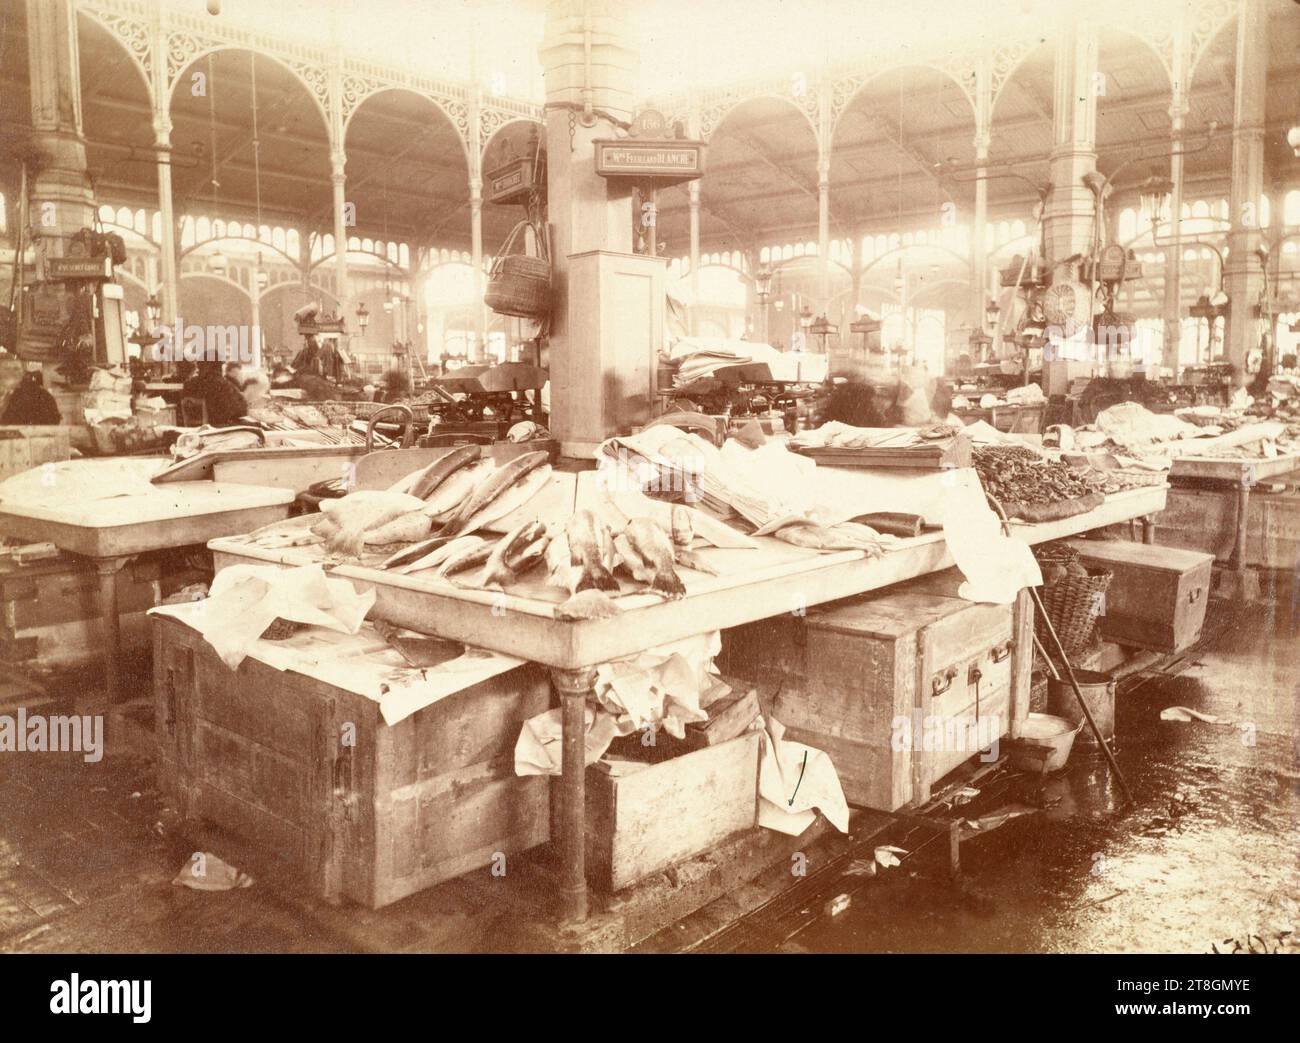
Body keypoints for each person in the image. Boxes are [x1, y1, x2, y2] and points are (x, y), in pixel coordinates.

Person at [181, 361, 248, 426]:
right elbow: (242, 408)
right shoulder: (221, 383)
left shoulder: (188, 384)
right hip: (219, 428)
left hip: (193, 430)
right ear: (217, 366)